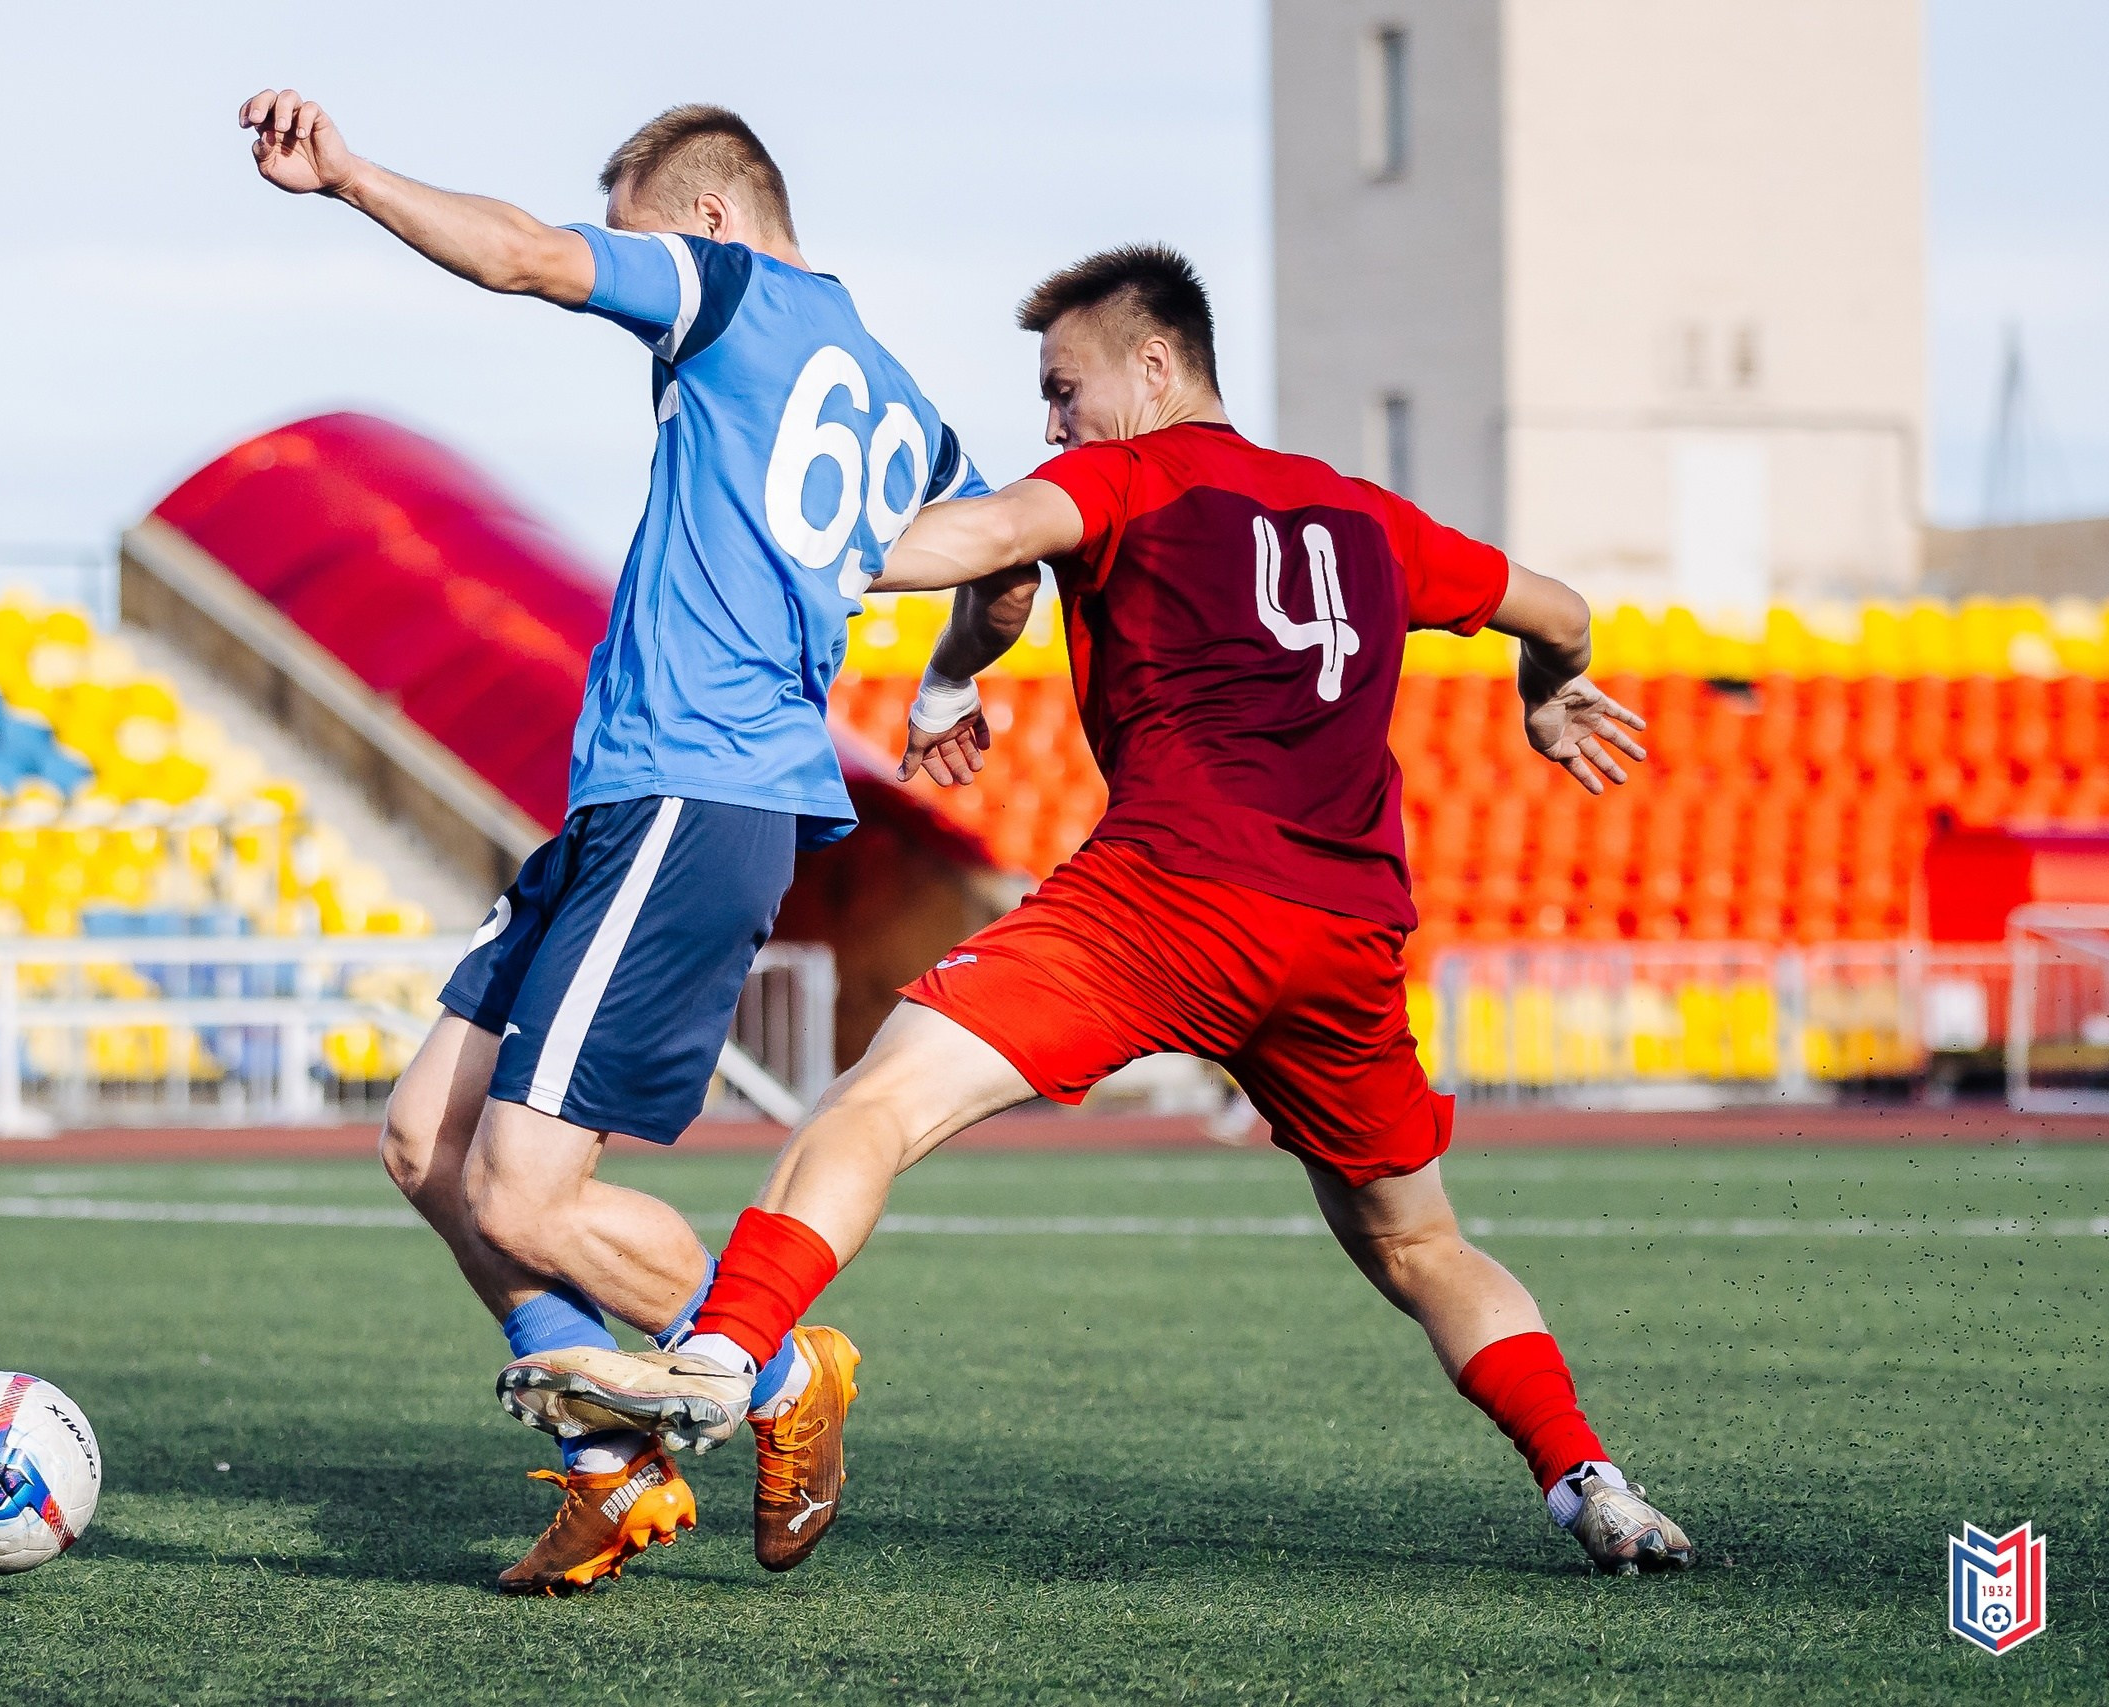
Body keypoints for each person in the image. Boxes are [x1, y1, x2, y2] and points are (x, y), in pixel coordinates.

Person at [510, 244, 1697, 1576]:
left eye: (1062, 390)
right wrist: (1548, 690)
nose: (1051, 423)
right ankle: (1585, 1479)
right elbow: (1567, 609)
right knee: (1421, 1239)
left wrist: (803, 542)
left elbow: (982, 543)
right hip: (1344, 936)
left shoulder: (1129, 474)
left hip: (1169, 901)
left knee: (873, 1106)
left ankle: (726, 1354)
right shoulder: (1371, 518)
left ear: (1151, 366)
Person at [237, 92, 983, 1592]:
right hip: (634, 798)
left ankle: (780, 1380)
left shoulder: (725, 286)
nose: (623, 275)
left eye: (633, 237)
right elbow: (1004, 543)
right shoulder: (908, 406)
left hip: (694, 793)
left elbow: (521, 256)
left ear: (708, 217)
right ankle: (610, 1469)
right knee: (423, 1143)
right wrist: (961, 669)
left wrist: (353, 178)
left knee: (523, 1190)